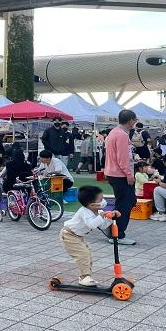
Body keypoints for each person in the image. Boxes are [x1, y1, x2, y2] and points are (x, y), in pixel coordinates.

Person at [60, 185, 120, 287]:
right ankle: (84, 277)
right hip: (69, 235)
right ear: (92, 204)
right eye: (101, 200)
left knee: (88, 254)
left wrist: (111, 217)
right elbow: (92, 224)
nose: (104, 201)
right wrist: (101, 216)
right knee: (83, 255)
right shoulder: (84, 212)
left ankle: (85, 277)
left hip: (78, 236)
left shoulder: (98, 211)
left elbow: (102, 225)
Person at [104, 109, 138, 245]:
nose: (135, 123)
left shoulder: (113, 132)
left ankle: (113, 230)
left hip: (113, 173)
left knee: (124, 203)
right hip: (121, 174)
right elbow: (123, 158)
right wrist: (129, 174)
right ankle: (117, 235)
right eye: (134, 120)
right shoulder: (123, 135)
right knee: (125, 204)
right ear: (130, 121)